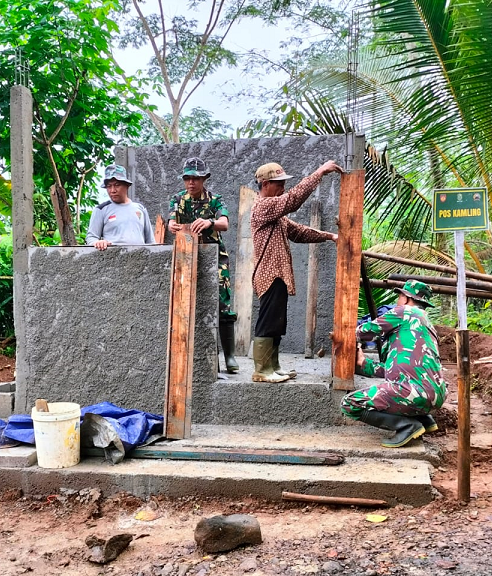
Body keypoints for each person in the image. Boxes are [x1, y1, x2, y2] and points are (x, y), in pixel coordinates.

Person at [250, 161, 343, 382]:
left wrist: (329, 236)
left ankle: (273, 365)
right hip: (269, 273)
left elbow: (298, 232)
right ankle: (261, 371)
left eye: (284, 183)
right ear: (265, 184)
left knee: (277, 322)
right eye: (279, 183)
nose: (282, 188)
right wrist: (319, 172)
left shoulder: (276, 215)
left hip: (279, 273)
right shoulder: (263, 207)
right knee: (268, 321)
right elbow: (293, 200)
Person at [340, 280, 448, 448]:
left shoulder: (405, 312)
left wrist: (343, 335)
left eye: (399, 297)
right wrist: (363, 363)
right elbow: (396, 370)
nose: (397, 301)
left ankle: (408, 425)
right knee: (397, 387)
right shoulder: (425, 326)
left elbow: (363, 331)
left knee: (350, 403)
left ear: (406, 298)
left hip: (413, 392)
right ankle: (424, 419)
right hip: (437, 395)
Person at [168, 157, 238, 374]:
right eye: (187, 178)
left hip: (214, 257)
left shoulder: (215, 199)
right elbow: (171, 221)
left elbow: (225, 223)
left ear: (204, 179)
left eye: (196, 178)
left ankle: (229, 356)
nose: (191, 183)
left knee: (222, 303)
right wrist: (172, 225)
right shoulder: (178, 199)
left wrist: (210, 222)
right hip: (186, 256)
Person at [86, 164, 155, 250]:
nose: (112, 190)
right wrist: (98, 243)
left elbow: (150, 241)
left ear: (127, 185)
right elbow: (91, 238)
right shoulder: (101, 210)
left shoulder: (140, 209)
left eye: (117, 185)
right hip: (113, 259)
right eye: (109, 186)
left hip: (139, 259)